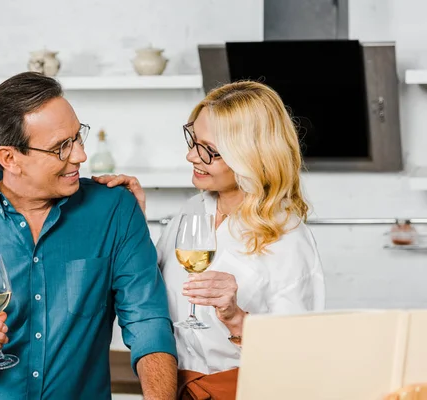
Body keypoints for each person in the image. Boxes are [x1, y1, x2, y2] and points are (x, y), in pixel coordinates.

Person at [0, 72, 178, 400]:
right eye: (61, 147)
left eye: (77, 137)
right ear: (9, 158)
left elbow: (148, 323)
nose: (80, 156)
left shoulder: (114, 210)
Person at [93, 80, 326, 399]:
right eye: (193, 140)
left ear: (252, 155)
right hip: (176, 388)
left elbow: (297, 355)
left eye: (210, 151)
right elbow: (152, 291)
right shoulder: (192, 211)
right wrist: (137, 220)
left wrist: (235, 317)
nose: (191, 156)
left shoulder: (287, 237)